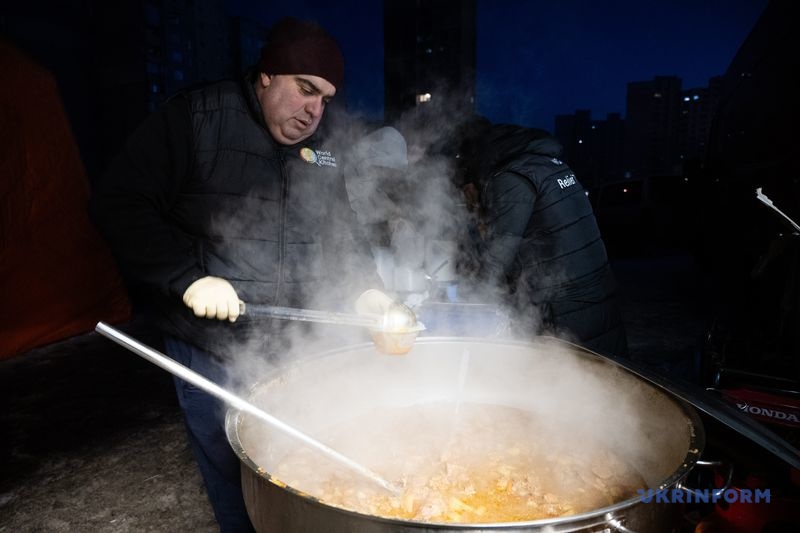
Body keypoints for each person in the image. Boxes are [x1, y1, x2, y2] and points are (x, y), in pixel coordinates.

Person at [90, 17, 396, 532]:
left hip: (294, 346)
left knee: (305, 467)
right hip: (211, 351)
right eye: (304, 89)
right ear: (267, 75)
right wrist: (186, 278)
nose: (313, 112)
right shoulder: (196, 118)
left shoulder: (321, 156)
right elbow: (119, 202)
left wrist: (370, 293)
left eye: (324, 99)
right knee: (235, 476)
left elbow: (343, 236)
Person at [450, 116, 629, 358]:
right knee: (605, 383)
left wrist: (459, 301)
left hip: (569, 314)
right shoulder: (546, 164)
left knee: (570, 385)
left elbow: (495, 263)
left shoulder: (511, 178)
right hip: (596, 299)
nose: (466, 199)